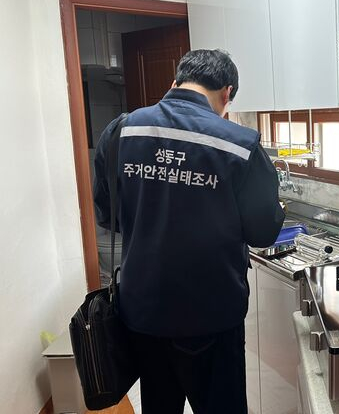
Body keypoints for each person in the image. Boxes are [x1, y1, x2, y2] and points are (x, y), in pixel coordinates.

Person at [93, 49, 285, 414]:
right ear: (227, 93)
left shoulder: (121, 130)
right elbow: (263, 232)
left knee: (159, 406)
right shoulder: (240, 144)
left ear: (176, 82)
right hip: (211, 315)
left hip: (143, 311)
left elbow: (108, 214)